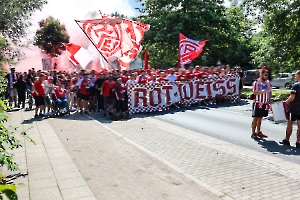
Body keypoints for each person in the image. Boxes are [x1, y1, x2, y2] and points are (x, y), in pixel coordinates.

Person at [280, 70, 300, 147]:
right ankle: (298, 142)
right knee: (299, 126)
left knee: (290, 124)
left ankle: (287, 139)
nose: (295, 77)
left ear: (298, 76)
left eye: (295, 75)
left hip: (294, 108)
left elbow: (292, 97)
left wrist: (286, 102)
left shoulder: (296, 85)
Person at [251, 69, 272, 139]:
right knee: (256, 118)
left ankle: (258, 131)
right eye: (265, 75)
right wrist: (265, 91)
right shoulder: (256, 82)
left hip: (265, 103)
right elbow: (255, 92)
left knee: (260, 117)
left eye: (267, 75)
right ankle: (253, 133)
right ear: (261, 75)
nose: (266, 76)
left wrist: (270, 99)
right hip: (258, 102)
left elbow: (269, 91)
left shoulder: (268, 82)